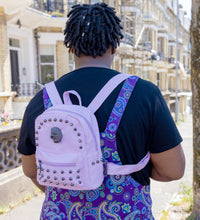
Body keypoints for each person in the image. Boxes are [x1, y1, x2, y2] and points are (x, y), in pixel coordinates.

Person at [18, 3, 185, 219]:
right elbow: (173, 170)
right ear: (115, 45)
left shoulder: (41, 101)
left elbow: (32, 171)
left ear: (70, 47)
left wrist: (72, 178)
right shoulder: (144, 95)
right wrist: (134, 170)